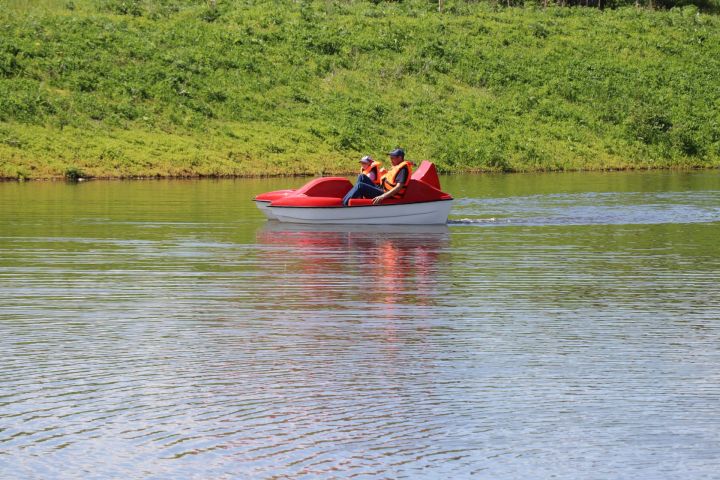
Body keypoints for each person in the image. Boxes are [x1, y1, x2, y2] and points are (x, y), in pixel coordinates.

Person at [342, 148, 412, 206]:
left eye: (392, 158)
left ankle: (343, 205)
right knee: (362, 176)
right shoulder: (397, 166)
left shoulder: (403, 169)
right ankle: (356, 199)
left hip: (388, 195)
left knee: (360, 186)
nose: (390, 160)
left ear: (399, 158)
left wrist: (382, 196)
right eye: (390, 158)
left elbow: (398, 187)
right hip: (382, 189)